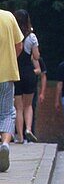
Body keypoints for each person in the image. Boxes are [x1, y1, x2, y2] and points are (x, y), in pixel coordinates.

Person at [12, 10, 39, 144]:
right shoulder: (31, 37)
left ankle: (20, 136)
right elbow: (36, 56)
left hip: (16, 72)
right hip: (28, 72)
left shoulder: (13, 36)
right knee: (28, 105)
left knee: (18, 107)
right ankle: (29, 129)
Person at [0, 9, 22, 172]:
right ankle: (6, 143)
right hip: (7, 73)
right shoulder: (8, 17)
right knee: (7, 112)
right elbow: (19, 45)